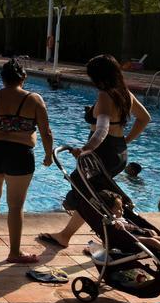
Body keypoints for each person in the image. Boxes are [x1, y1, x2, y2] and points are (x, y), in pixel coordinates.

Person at [39, 54, 152, 249]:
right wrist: (125, 141)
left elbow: (101, 130)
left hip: (103, 153)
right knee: (92, 195)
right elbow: (145, 118)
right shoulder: (125, 93)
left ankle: (117, 236)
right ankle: (66, 235)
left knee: (84, 192)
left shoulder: (105, 95)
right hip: (118, 152)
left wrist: (85, 149)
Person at [0, 59, 54, 264]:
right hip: (20, 154)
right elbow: (46, 132)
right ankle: (14, 252)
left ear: (2, 78)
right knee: (15, 205)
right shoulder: (34, 99)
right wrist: (48, 155)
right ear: (24, 77)